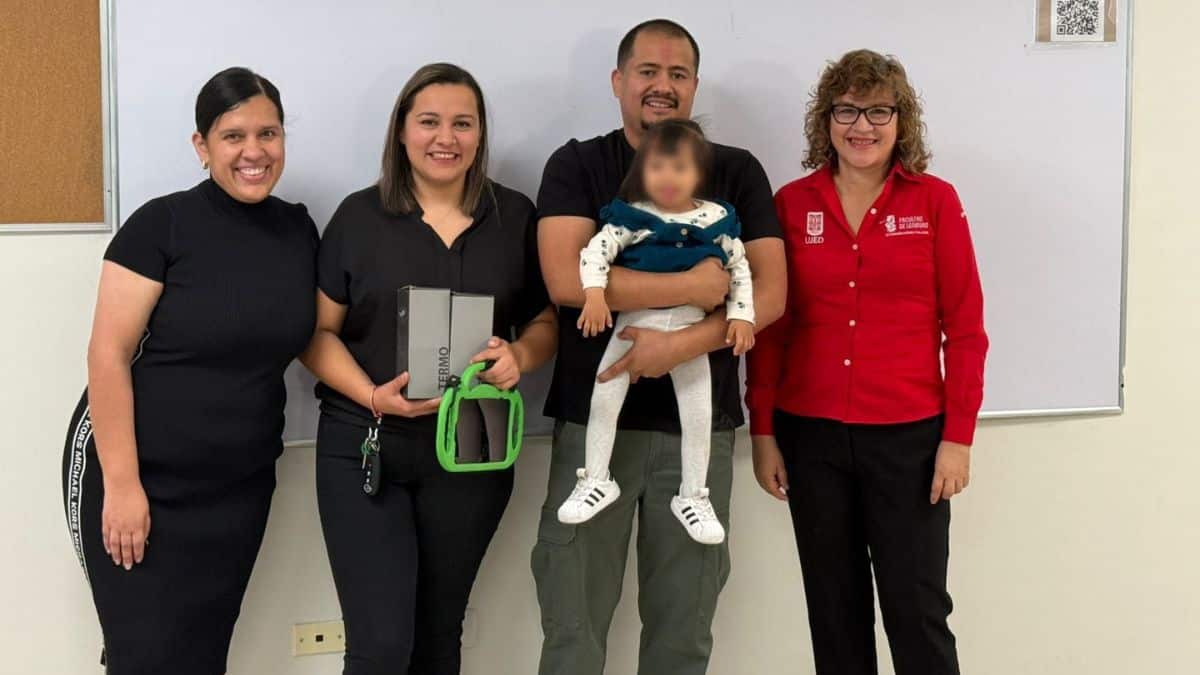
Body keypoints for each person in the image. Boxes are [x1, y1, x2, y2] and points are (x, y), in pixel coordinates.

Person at [532, 19, 786, 675]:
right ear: (619, 81)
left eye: (678, 74)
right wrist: (694, 286)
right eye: (647, 71)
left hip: (697, 434)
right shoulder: (578, 165)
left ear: (695, 85)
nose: (662, 86)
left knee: (682, 634)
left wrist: (683, 344)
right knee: (572, 627)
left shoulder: (735, 171)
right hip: (594, 425)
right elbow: (567, 280)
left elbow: (771, 292)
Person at [300, 63, 556, 675]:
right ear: (402, 130)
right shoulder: (358, 217)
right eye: (429, 122)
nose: (446, 138)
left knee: (439, 640)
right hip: (367, 442)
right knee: (381, 647)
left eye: (462, 123)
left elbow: (546, 322)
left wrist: (520, 356)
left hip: (473, 447)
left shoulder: (515, 216)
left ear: (480, 133)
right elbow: (315, 335)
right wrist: (371, 394)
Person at [61, 67, 317, 674]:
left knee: (202, 657)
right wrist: (123, 486)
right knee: (143, 657)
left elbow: (309, 338)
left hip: (238, 487)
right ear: (202, 146)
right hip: (137, 477)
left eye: (268, 133)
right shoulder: (162, 224)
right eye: (233, 136)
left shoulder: (298, 229)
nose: (254, 152)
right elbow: (106, 355)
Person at [746, 49, 989, 675]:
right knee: (835, 617)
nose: (862, 126)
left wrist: (958, 439)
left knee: (917, 613)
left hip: (910, 441)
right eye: (847, 111)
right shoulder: (790, 204)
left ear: (900, 120)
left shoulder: (935, 201)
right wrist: (764, 431)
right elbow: (772, 330)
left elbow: (965, 331)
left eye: (878, 111)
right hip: (811, 437)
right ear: (825, 120)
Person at [558, 119, 755, 547]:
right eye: (657, 167)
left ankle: (694, 495)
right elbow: (595, 254)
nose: (668, 177)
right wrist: (595, 295)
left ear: (698, 174)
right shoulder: (633, 216)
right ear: (641, 172)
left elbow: (740, 270)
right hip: (632, 325)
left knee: (698, 413)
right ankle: (596, 478)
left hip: (691, 331)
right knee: (604, 398)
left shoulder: (717, 219)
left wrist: (742, 316)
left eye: (679, 167)